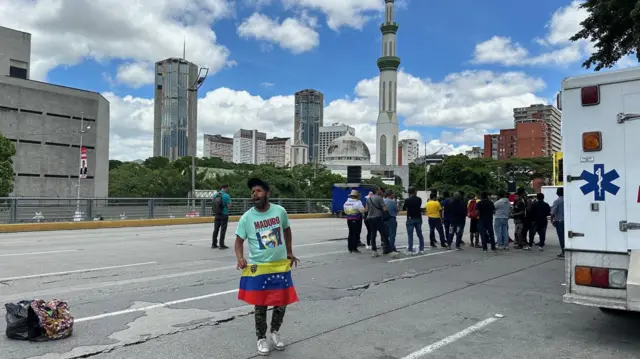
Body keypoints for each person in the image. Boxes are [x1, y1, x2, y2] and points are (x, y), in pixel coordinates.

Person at [235, 178, 300, 356]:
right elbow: (239, 241)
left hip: (280, 266)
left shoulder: (280, 211)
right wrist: (240, 258)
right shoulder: (247, 217)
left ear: (267, 194)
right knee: (260, 305)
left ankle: (275, 332)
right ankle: (261, 338)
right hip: (260, 267)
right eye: (252, 192)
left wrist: (289, 251)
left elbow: (286, 230)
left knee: (281, 303)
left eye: (258, 191)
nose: (254, 194)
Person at [365, 187, 393, 257]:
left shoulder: (368, 199)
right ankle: (388, 249)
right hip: (378, 218)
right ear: (377, 191)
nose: (380, 191)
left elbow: (366, 209)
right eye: (379, 190)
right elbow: (385, 208)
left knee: (373, 234)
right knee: (384, 234)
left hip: (370, 218)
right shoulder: (379, 198)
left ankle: (374, 251)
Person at [403, 187, 425, 255]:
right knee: (419, 234)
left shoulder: (407, 200)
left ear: (409, 192)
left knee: (410, 235)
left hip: (410, 218)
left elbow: (404, 208)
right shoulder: (419, 199)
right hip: (418, 218)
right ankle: (422, 249)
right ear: (414, 191)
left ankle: (410, 250)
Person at [343, 189, 365, 254]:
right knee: (356, 234)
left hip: (349, 219)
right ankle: (354, 248)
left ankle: (350, 248)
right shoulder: (358, 202)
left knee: (350, 233)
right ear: (357, 196)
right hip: (356, 219)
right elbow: (362, 210)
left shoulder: (346, 202)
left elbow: (345, 211)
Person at [212, 184, 231, 249]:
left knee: (216, 229)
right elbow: (228, 206)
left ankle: (214, 244)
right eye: (227, 188)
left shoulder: (215, 195)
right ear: (225, 188)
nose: (228, 189)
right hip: (224, 214)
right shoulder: (226, 196)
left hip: (217, 214)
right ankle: (221, 245)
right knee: (223, 230)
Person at [551, 187, 565, 258]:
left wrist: (551, 220)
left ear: (557, 193)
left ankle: (563, 251)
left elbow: (553, 212)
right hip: (567, 221)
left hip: (559, 221)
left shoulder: (557, 201)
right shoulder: (568, 200)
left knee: (561, 237)